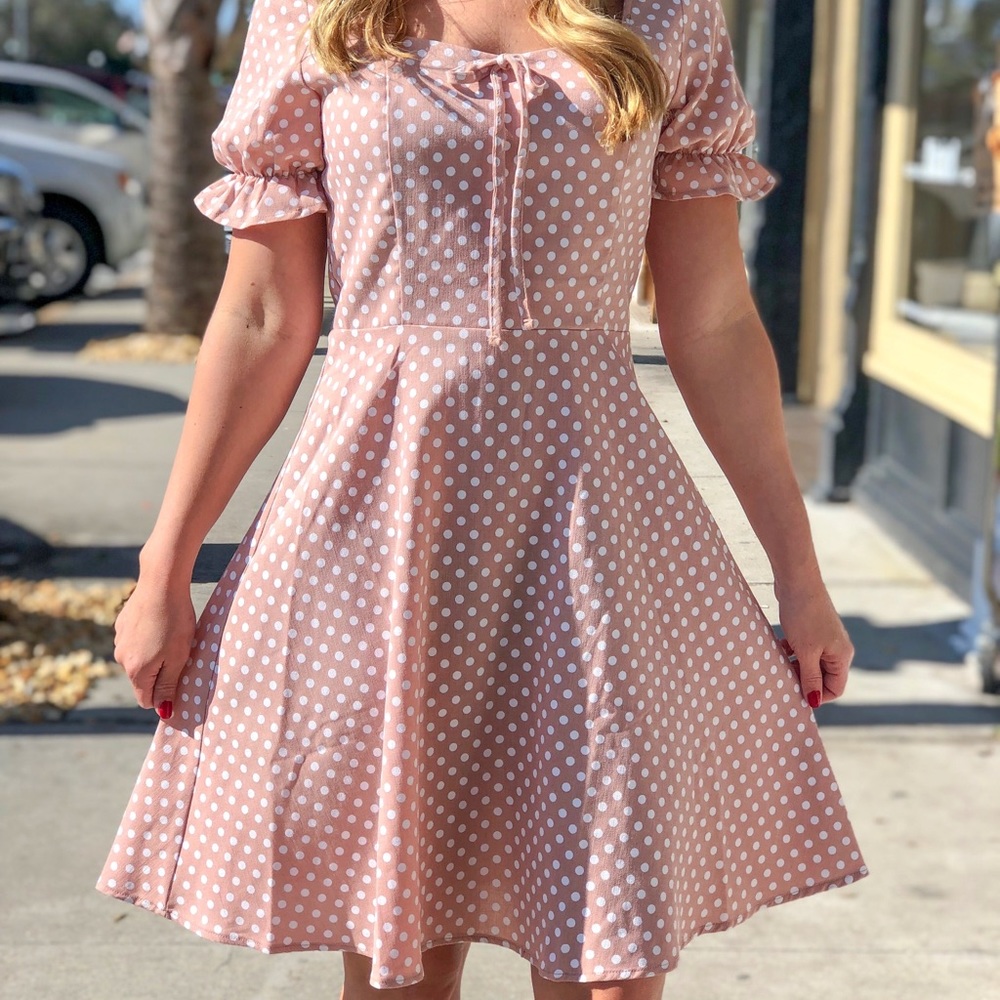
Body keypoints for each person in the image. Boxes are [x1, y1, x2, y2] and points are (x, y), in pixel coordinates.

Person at [98, 1, 869, 997]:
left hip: (593, 531)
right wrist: (165, 565)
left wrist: (798, 574)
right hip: (379, 527)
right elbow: (259, 315)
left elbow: (713, 317)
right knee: (399, 963)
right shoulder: (320, 12)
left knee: (610, 962)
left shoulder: (664, 14)